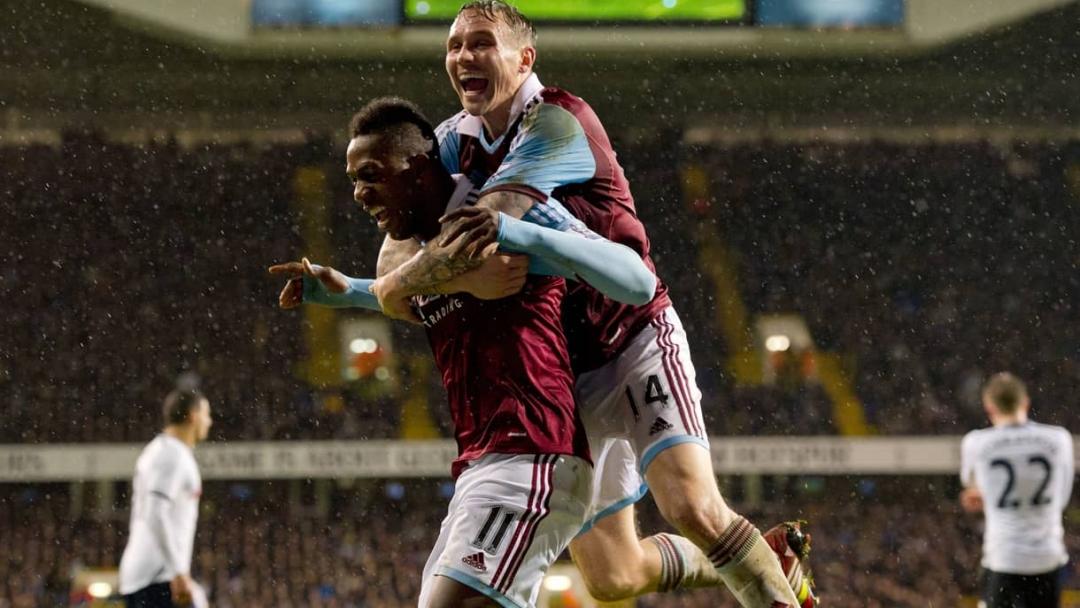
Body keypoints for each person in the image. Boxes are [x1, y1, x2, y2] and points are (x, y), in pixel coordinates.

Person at [370, 2, 814, 606]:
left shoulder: (557, 121)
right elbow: (394, 258)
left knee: (693, 507)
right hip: (565, 371)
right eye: (453, 46)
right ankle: (763, 556)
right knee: (613, 575)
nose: (462, 57)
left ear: (524, 57)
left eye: (480, 43)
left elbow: (487, 226)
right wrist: (427, 281)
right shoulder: (452, 141)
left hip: (632, 336)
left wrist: (412, 283)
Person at [272, 96, 662, 608]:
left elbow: (635, 279)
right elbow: (412, 295)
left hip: (533, 454)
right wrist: (341, 289)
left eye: (370, 175)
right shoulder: (420, 254)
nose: (360, 194)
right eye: (352, 181)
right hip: (484, 464)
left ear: (414, 166)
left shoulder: (495, 217)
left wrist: (516, 234)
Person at [961, 372, 1074, 608]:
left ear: (989, 408)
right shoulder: (1058, 439)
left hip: (1005, 556)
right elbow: (1060, 498)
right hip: (1047, 556)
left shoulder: (977, 443)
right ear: (1025, 402)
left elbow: (973, 489)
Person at [118, 389, 212, 608]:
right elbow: (155, 513)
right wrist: (177, 571)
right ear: (193, 415)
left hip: (151, 576)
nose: (210, 421)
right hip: (156, 577)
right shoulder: (171, 455)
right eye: (206, 414)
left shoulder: (160, 451)